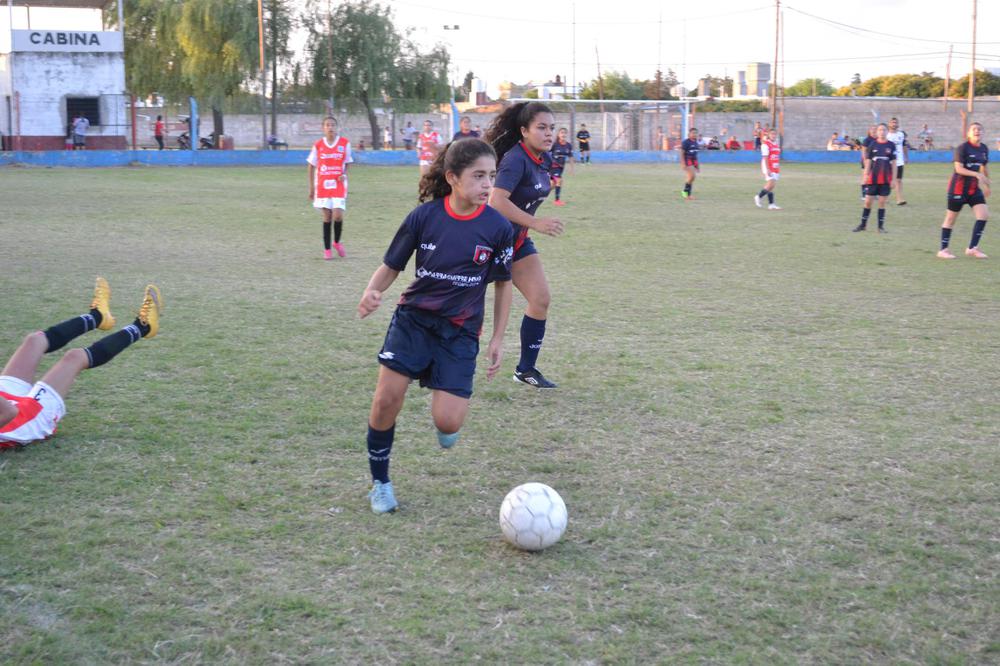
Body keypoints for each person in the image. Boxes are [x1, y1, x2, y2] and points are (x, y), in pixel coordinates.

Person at [357, 139, 514, 513]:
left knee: (447, 422)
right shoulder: (424, 217)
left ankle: (445, 417)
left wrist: (497, 337)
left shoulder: (497, 227)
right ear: (452, 178)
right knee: (385, 400)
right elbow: (392, 264)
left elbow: (503, 283)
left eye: (491, 176)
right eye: (478, 176)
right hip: (413, 321)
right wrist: (372, 290)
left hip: (459, 332)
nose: (487, 185)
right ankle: (380, 483)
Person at [1, 278, 162, 450]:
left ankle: (97, 317)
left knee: (34, 341)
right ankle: (143, 327)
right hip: (25, 419)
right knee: (75, 357)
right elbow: (10, 412)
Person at [486, 101, 563, 389]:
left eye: (551, 128)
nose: (548, 133)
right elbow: (497, 200)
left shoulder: (542, 158)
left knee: (540, 298)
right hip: (489, 243)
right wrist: (536, 222)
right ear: (524, 131)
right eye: (541, 127)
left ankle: (525, 370)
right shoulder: (516, 159)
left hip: (516, 241)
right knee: (457, 304)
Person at [937, 122, 990, 259]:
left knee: (983, 215)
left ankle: (972, 248)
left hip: (973, 189)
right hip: (958, 189)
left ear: (983, 133)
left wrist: (986, 185)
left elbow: (983, 167)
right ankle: (943, 250)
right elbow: (959, 169)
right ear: (968, 133)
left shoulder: (984, 148)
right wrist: (976, 174)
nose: (977, 131)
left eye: (979, 129)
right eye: (974, 129)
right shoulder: (962, 148)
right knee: (950, 219)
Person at [307, 116, 354, 260]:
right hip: (322, 185)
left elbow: (347, 162)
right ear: (323, 128)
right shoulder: (318, 145)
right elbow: (311, 165)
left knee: (338, 215)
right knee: (327, 216)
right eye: (327, 125)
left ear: (336, 127)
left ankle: (337, 242)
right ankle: (327, 249)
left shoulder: (344, 143)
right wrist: (311, 188)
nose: (330, 127)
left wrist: (343, 174)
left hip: (338, 185)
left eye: (333, 125)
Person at [853, 122, 896, 233]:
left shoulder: (891, 145)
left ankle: (880, 227)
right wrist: (866, 175)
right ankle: (863, 225)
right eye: (880, 130)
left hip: (886, 179)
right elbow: (868, 161)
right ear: (877, 132)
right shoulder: (873, 145)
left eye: (884, 130)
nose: (882, 132)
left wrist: (894, 179)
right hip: (873, 178)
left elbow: (894, 163)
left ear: (887, 132)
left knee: (882, 202)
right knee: (867, 202)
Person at [754, 127, 782, 210]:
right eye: (772, 134)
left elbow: (776, 156)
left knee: (772, 186)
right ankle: (758, 197)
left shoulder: (776, 143)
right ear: (768, 135)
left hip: (775, 166)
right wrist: (768, 169)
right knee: (771, 183)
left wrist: (777, 165)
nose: (773, 135)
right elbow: (765, 157)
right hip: (768, 165)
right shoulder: (765, 144)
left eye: (775, 134)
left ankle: (771, 204)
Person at [886, 117, 910, 205]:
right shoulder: (887, 135)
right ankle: (885, 197)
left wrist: (906, 157)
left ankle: (899, 199)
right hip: (889, 161)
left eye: (895, 122)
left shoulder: (901, 134)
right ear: (889, 124)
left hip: (899, 161)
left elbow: (904, 146)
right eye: (892, 122)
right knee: (889, 180)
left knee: (898, 180)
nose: (894, 124)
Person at [549, 127, 573, 207]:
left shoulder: (568, 145)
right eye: (561, 133)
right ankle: (557, 200)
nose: (563, 134)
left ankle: (540, 194)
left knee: (552, 184)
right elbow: (546, 153)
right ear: (558, 135)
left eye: (565, 133)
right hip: (553, 166)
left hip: (561, 168)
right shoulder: (555, 144)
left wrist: (571, 168)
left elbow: (570, 157)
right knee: (559, 181)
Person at [680, 127, 699, 200]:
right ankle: (687, 194)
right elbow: (681, 153)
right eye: (693, 133)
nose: (695, 134)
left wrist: (697, 166)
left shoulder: (695, 142)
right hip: (687, 161)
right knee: (692, 176)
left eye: (696, 133)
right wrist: (683, 163)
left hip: (693, 161)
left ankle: (686, 193)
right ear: (689, 134)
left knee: (691, 178)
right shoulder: (686, 142)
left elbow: (695, 155)